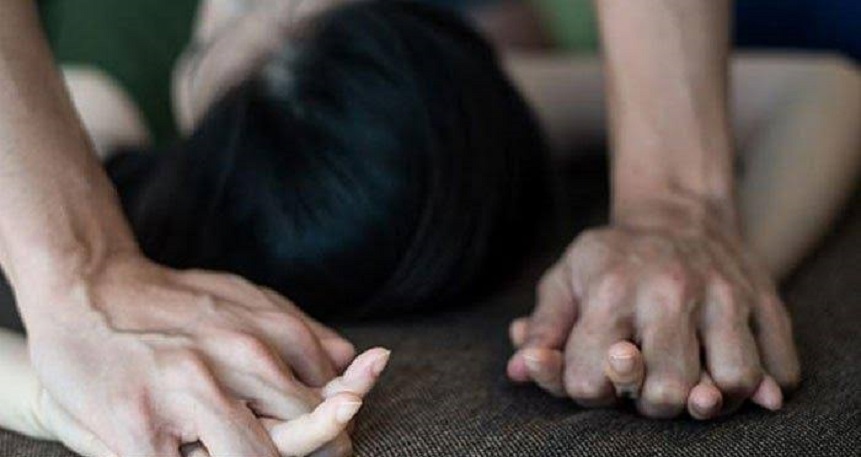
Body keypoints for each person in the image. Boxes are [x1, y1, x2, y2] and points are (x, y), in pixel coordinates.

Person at [0, 0, 858, 456]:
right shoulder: (419, 106)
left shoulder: (101, 109)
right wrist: (705, 289)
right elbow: (820, 85)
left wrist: (45, 391)